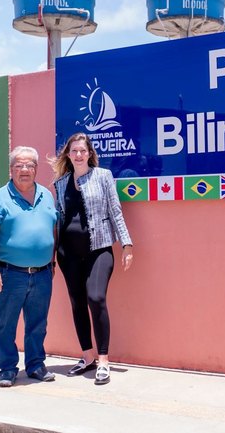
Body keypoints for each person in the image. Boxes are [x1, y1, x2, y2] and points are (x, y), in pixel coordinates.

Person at [51, 132, 134, 385]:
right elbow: (58, 219)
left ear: (90, 154)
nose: (78, 155)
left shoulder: (103, 176)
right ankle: (88, 357)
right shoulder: (61, 183)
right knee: (77, 303)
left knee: (96, 298)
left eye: (83, 151)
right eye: (74, 151)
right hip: (68, 253)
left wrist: (127, 244)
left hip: (99, 249)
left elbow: (115, 211)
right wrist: (52, 254)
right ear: (68, 154)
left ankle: (104, 360)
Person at [0, 146, 58, 388]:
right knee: (6, 325)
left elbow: (52, 229)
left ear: (36, 169)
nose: (24, 170)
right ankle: (7, 369)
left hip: (42, 273)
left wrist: (52, 261)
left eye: (29, 165)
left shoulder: (46, 195)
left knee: (38, 323)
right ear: (11, 169)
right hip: (9, 274)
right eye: (19, 165)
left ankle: (35, 365)